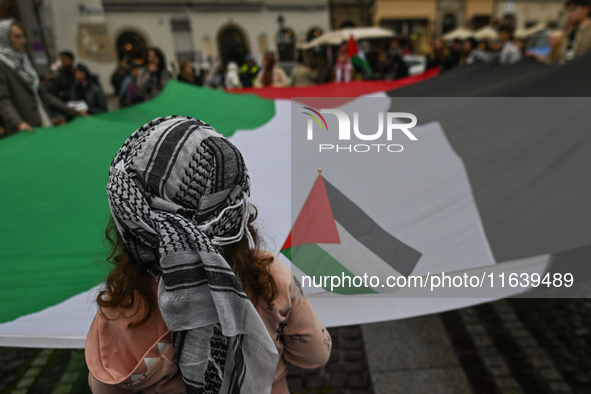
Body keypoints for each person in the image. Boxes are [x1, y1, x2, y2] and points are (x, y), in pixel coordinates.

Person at [85, 116, 331, 393]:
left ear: (128, 220)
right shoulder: (270, 276)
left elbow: (103, 388)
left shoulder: (120, 304)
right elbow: (315, 355)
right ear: (235, 207)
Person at [0, 19, 82, 137]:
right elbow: (3, 101)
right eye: (17, 37)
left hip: (44, 123)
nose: (23, 41)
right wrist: (18, 124)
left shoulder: (24, 62)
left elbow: (44, 95)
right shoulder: (2, 65)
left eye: (23, 36)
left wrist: (75, 113)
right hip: (25, 132)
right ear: (4, 39)